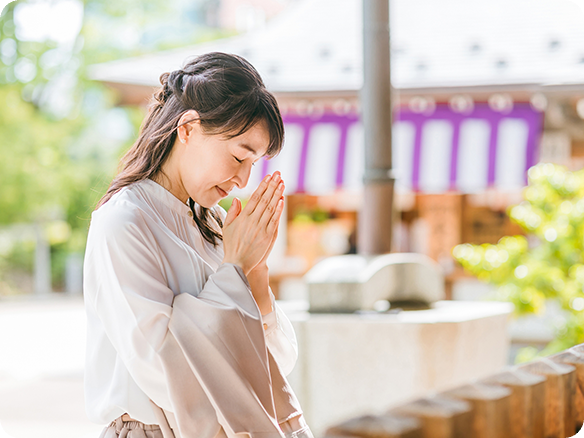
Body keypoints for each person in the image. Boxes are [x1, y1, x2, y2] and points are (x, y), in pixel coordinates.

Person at [83, 52, 312, 438]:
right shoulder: (124, 221)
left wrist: (253, 274)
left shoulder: (214, 224)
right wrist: (233, 271)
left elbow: (277, 361)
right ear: (188, 128)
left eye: (253, 164)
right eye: (239, 156)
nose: (243, 179)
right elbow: (161, 367)